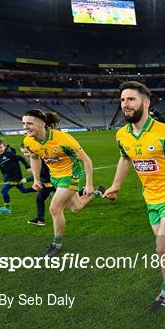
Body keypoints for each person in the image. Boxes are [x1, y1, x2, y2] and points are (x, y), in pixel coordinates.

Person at [104, 81, 165, 311]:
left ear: (145, 103)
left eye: (131, 99)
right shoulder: (121, 136)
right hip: (151, 197)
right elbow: (125, 158)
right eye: (123, 100)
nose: (125, 104)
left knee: (161, 248)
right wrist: (116, 184)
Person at [22, 110, 104, 257]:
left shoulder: (63, 139)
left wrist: (89, 183)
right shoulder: (29, 141)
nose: (25, 127)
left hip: (71, 174)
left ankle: (56, 244)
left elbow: (86, 160)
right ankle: (98, 193)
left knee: (54, 208)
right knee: (76, 207)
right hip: (55, 176)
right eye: (23, 124)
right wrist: (35, 179)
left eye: (29, 123)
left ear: (42, 123)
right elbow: (34, 158)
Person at [0, 139, 36, 214]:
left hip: (15, 177)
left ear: (4, 147)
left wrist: (27, 166)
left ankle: (7, 209)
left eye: (0, 147)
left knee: (3, 191)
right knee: (24, 191)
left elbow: (21, 158)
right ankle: (43, 189)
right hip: (7, 177)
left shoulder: (10, 155)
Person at [20, 144, 55, 227]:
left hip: (53, 181)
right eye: (23, 153)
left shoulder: (41, 160)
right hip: (49, 182)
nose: (25, 155)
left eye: (26, 152)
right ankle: (40, 220)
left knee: (72, 202)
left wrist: (27, 179)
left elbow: (42, 173)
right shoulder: (36, 158)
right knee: (40, 199)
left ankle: (40, 220)